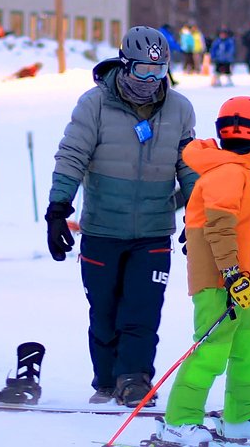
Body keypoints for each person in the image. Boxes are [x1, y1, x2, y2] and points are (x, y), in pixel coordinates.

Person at [45, 26, 199, 407]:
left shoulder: (179, 108)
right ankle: (107, 379)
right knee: (105, 310)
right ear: (125, 64)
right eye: (143, 70)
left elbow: (190, 165)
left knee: (143, 308)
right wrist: (58, 209)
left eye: (159, 71)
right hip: (102, 229)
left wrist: (197, 214)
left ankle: (135, 378)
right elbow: (72, 156)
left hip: (152, 231)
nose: (151, 80)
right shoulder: (94, 104)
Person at [156, 96, 250, 446]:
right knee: (212, 348)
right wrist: (232, 273)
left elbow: (227, 232)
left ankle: (242, 416)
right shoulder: (228, 172)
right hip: (219, 282)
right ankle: (178, 420)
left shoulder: (231, 170)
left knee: (249, 344)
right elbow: (217, 229)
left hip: (235, 280)